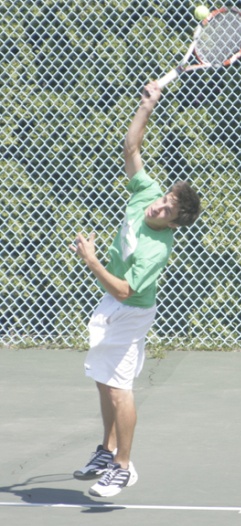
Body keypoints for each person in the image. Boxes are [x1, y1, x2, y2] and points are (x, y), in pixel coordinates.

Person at [69, 81, 201, 498]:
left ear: (175, 223)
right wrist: (147, 105)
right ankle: (107, 451)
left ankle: (124, 466)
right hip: (111, 304)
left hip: (129, 311)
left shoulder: (157, 249)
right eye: (164, 198)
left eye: (168, 209)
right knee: (102, 380)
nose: (158, 205)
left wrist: (91, 260)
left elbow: (126, 290)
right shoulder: (145, 192)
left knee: (118, 388)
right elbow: (131, 149)